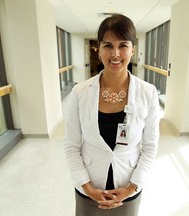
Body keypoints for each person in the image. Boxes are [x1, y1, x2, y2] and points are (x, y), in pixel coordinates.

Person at [64, 14, 160, 216]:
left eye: (123, 45)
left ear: (132, 50)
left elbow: (150, 147)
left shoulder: (148, 92)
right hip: (89, 188)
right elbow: (72, 146)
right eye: (108, 45)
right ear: (99, 50)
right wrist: (87, 188)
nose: (115, 53)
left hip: (128, 186)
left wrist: (131, 188)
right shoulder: (80, 92)